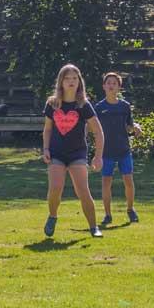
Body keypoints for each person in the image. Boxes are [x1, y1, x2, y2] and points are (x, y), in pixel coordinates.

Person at [40, 63, 104, 238]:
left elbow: (98, 131)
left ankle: (93, 227)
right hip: (56, 153)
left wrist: (98, 156)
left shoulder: (83, 105)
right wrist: (46, 149)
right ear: (61, 82)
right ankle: (53, 216)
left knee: (83, 190)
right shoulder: (52, 104)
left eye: (75, 78)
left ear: (79, 82)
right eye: (67, 78)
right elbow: (47, 129)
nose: (71, 81)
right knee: (55, 188)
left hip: (77, 153)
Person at [92, 72, 142, 226]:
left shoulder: (125, 106)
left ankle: (130, 209)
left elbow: (129, 126)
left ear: (119, 87)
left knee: (128, 181)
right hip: (106, 152)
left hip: (123, 150)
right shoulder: (99, 108)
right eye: (108, 83)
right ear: (104, 86)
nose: (111, 85)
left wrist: (135, 128)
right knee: (106, 183)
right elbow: (94, 129)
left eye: (114, 83)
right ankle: (107, 215)